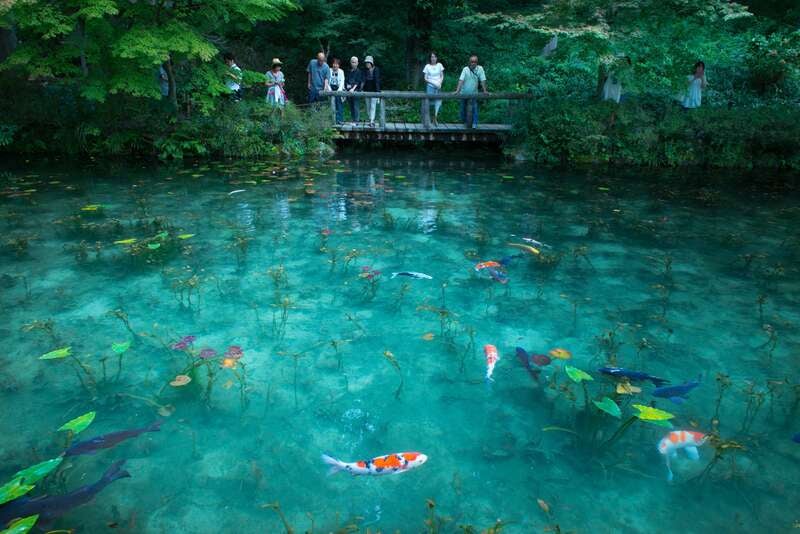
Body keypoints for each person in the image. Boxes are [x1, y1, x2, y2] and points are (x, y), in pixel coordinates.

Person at [455, 55, 487, 128]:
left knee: (475, 109)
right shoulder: (465, 69)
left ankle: (474, 124)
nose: (473, 63)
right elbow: (461, 80)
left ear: (477, 62)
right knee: (463, 109)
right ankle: (465, 123)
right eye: (472, 61)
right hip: (464, 93)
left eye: (475, 61)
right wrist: (457, 90)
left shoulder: (480, 69)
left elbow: (483, 80)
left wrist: (485, 90)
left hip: (474, 93)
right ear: (469, 62)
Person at [423, 52, 445, 125]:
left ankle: (435, 118)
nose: (433, 58)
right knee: (428, 102)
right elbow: (425, 78)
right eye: (432, 57)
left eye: (435, 57)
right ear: (430, 58)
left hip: (438, 86)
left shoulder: (439, 65)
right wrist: (433, 83)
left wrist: (439, 83)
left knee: (438, 102)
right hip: (430, 86)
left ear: (437, 58)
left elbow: (442, 75)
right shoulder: (427, 66)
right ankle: (427, 119)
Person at [363, 55, 381, 127]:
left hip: (374, 91)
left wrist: (378, 93)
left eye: (368, 63)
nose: (367, 64)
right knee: (368, 106)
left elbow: (377, 81)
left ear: (371, 63)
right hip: (367, 91)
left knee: (373, 106)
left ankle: (372, 121)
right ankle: (370, 118)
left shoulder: (376, 69)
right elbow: (363, 81)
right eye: (366, 63)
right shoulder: (365, 71)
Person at [345, 56, 363, 123]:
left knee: (356, 106)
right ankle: (353, 119)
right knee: (351, 106)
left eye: (355, 62)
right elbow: (346, 81)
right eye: (352, 62)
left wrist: (353, 89)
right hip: (348, 91)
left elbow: (358, 82)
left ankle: (356, 121)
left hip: (355, 91)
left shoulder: (359, 71)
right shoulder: (349, 71)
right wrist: (347, 88)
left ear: (357, 63)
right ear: (350, 62)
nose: (353, 63)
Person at [329, 58, 346, 124]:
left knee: (339, 105)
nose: (335, 65)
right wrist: (330, 90)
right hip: (330, 88)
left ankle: (340, 120)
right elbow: (327, 80)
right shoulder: (329, 70)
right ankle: (333, 120)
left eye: (336, 64)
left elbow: (342, 81)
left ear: (339, 65)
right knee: (332, 104)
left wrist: (339, 91)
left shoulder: (341, 71)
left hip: (339, 89)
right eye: (334, 64)